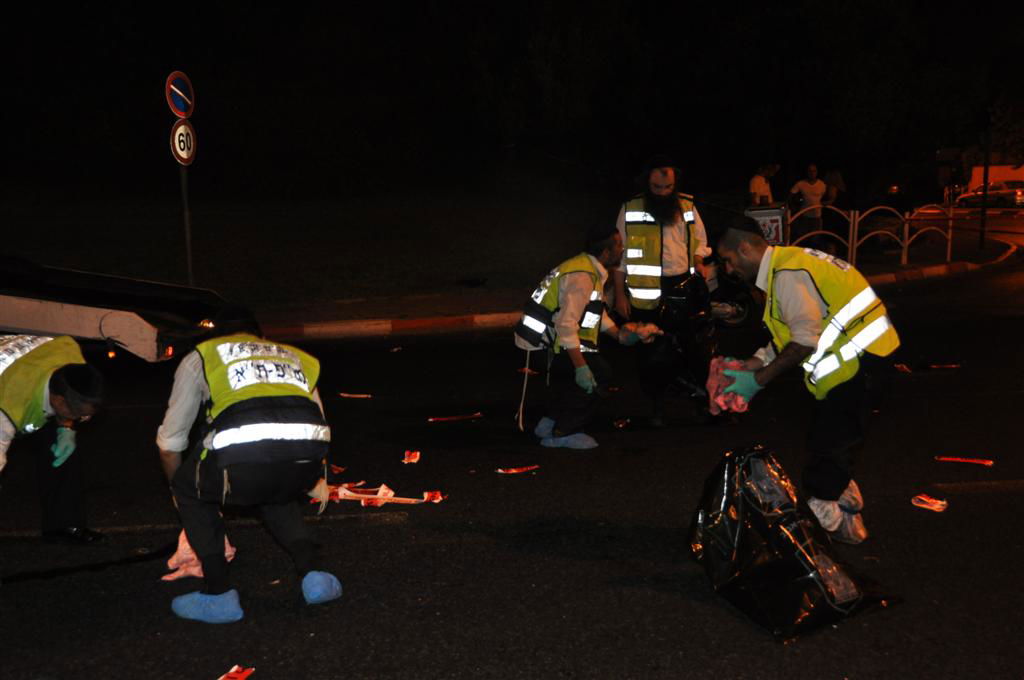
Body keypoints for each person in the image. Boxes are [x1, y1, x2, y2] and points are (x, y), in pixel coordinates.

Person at [713, 221, 899, 544]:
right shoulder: (787, 266)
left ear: (745, 249)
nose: (728, 269)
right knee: (829, 440)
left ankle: (828, 533)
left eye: (728, 259)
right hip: (862, 361)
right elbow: (787, 337)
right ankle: (842, 495)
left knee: (827, 457)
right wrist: (751, 364)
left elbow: (802, 343)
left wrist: (756, 382)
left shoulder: (787, 275)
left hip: (859, 364)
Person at [155, 328, 342, 623]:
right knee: (275, 484)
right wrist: (315, 478)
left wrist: (177, 490)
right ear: (259, 337)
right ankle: (316, 576)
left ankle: (219, 595)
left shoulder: (202, 356)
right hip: (303, 458)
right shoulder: (295, 356)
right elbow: (315, 419)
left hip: (241, 460)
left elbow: (170, 444)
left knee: (190, 490)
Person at [514, 223, 662, 449]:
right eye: (619, 245)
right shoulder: (583, 276)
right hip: (543, 345)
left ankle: (550, 423)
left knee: (584, 375)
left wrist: (623, 335)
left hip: (544, 341)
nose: (622, 249)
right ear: (606, 253)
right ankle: (564, 431)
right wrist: (581, 367)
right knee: (598, 374)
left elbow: (595, 313)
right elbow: (566, 324)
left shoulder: (589, 269)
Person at [610, 156, 712, 425]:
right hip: (646, 295)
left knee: (694, 348)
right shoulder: (630, 208)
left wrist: (700, 261)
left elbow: (700, 240)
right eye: (658, 188)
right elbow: (620, 257)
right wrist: (620, 294)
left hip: (684, 289)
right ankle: (657, 407)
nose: (664, 193)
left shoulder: (687, 205)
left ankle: (704, 402)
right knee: (651, 354)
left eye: (669, 187)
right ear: (647, 183)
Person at [0, 335, 105, 544]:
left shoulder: (72, 357)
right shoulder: (9, 405)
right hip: (9, 393)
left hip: (33, 381)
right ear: (57, 400)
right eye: (78, 414)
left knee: (63, 453)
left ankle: (63, 524)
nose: (83, 419)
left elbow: (72, 406)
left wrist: (66, 427)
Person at [789, 163, 830, 244]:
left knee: (815, 240)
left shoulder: (822, 184)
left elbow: (826, 198)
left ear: (817, 172)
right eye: (810, 171)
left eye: (814, 171)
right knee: (803, 239)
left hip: (817, 217)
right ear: (807, 172)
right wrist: (793, 207)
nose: (812, 173)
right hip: (804, 216)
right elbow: (790, 196)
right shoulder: (801, 184)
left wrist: (826, 202)